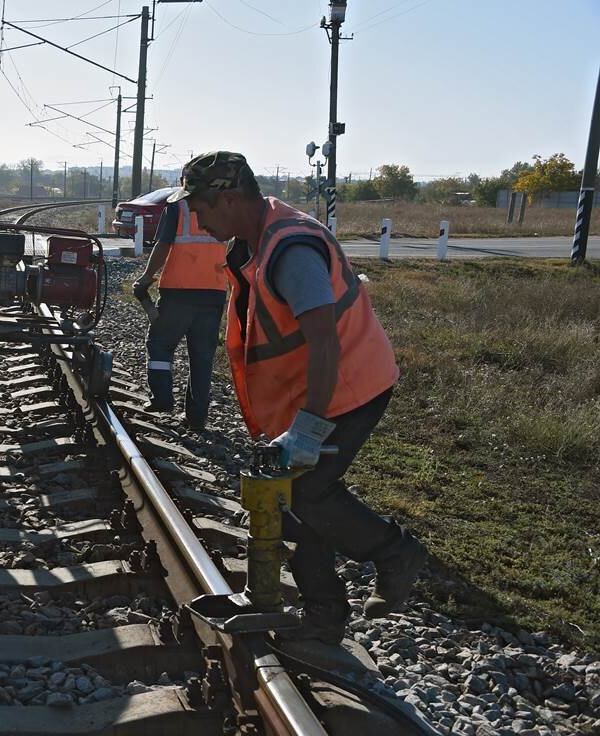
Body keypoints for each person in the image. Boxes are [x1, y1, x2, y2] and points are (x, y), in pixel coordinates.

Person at [169, 151, 428, 643]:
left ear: (228, 198)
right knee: (294, 498)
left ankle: (395, 553)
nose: (198, 222)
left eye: (200, 209)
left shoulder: (291, 251)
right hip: (313, 391)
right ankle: (324, 613)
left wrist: (309, 428)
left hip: (350, 386)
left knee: (309, 491)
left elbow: (326, 340)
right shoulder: (255, 241)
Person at [132, 194, 228, 431]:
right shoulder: (226, 204)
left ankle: (162, 399)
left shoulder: (178, 206)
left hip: (179, 290)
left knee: (160, 345)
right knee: (203, 356)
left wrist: (147, 277)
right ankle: (196, 418)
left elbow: (163, 244)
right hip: (214, 290)